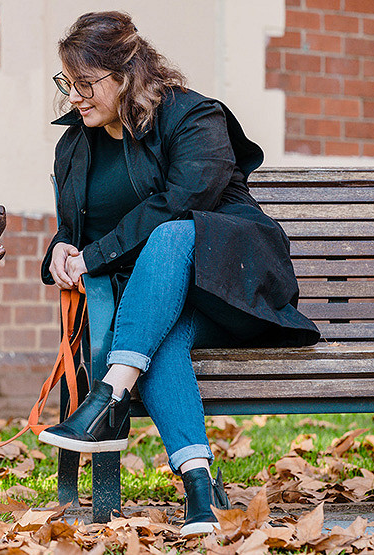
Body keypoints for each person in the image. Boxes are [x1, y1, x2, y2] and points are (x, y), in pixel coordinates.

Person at [37, 11, 320, 536]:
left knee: (171, 234)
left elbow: (181, 204)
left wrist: (94, 256)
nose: (74, 97)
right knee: (159, 341)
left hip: (236, 285)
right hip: (158, 310)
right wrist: (62, 247)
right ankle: (199, 492)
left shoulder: (194, 119)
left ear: (126, 74)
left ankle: (108, 398)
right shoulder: (76, 145)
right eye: (66, 84)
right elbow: (79, 227)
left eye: (85, 84)